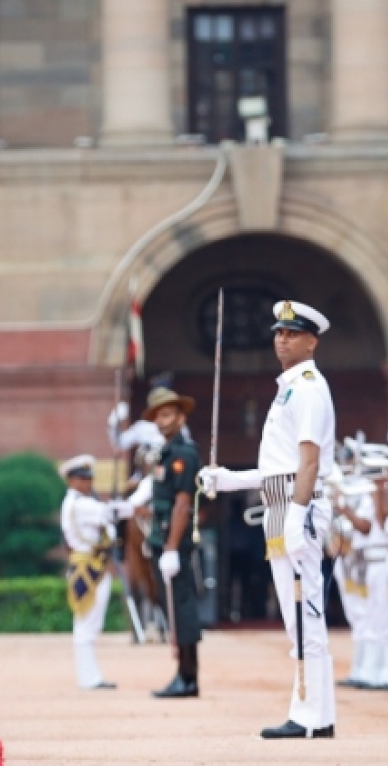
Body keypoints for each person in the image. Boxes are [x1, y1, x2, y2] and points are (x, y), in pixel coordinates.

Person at [200, 300, 339, 739]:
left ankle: (311, 716)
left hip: (299, 508)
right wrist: (227, 480)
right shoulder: (288, 388)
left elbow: (310, 462)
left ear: (312, 340)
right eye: (279, 332)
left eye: (293, 333)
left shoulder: (310, 386)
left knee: (306, 615)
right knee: (294, 617)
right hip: (280, 507)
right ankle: (312, 711)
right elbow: (277, 467)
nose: (282, 339)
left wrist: (297, 516)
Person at [141, 386, 203, 698]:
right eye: (158, 416)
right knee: (173, 609)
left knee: (182, 607)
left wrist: (170, 548)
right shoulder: (165, 453)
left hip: (172, 542)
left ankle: (188, 677)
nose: (162, 421)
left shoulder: (183, 454)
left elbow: (183, 504)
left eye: (167, 414)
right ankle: (184, 674)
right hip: (162, 538)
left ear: (180, 417)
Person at [59, 453, 133, 689]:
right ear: (72, 480)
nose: (88, 482)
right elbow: (110, 514)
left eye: (89, 478)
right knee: (86, 627)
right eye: (83, 478)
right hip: (89, 568)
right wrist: (128, 501)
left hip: (89, 566)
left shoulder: (78, 502)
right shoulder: (80, 504)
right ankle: (89, 679)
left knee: (87, 626)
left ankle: (90, 677)